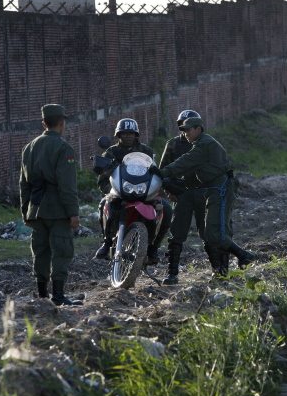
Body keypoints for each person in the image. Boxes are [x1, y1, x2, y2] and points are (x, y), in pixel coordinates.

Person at [157, 116, 255, 277]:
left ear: (198, 128)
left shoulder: (205, 144)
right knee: (210, 233)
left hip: (221, 189)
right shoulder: (196, 144)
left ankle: (240, 258)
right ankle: (241, 256)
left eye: (188, 129)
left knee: (217, 233)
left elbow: (185, 162)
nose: (186, 133)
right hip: (211, 190)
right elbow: (189, 172)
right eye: (183, 130)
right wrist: (171, 185)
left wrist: (162, 173)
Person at [20, 104, 82, 306]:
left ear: (43, 123)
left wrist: (25, 211)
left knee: (40, 251)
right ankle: (58, 294)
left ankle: (41, 294)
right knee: (62, 250)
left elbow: (24, 184)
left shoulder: (29, 147)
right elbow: (67, 185)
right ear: (62, 123)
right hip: (57, 209)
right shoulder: (64, 149)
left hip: (36, 209)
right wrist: (73, 212)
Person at [94, 118, 172, 265]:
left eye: (131, 133)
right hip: (119, 191)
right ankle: (107, 241)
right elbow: (102, 178)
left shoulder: (146, 151)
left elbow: (154, 172)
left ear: (136, 135)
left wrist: (157, 186)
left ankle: (153, 248)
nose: (128, 136)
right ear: (118, 135)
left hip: (144, 192)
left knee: (166, 209)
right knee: (104, 203)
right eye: (124, 133)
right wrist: (110, 190)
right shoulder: (111, 152)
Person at [158, 109, 207, 284]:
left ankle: (220, 269)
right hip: (182, 195)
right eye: (183, 126)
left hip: (203, 194)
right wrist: (170, 190)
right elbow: (162, 171)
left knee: (209, 232)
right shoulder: (172, 145)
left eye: (190, 126)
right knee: (176, 235)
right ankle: (172, 272)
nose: (186, 130)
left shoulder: (206, 143)